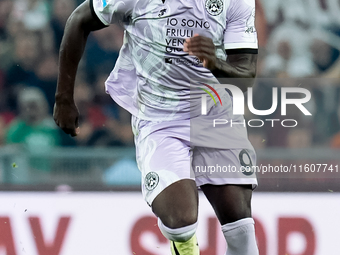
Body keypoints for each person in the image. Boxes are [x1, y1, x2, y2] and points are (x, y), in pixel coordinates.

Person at [53, 0, 259, 254]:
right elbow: (79, 19)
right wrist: (63, 97)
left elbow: (245, 76)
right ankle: (183, 243)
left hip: (215, 115)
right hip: (160, 118)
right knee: (181, 223)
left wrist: (215, 64)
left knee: (240, 228)